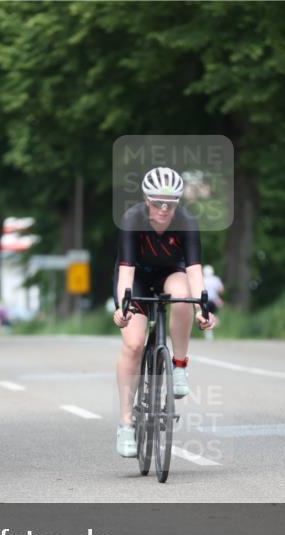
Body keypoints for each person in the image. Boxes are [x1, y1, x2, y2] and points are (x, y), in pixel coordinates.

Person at [111, 166, 217, 457]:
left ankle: (179, 365)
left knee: (183, 296)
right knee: (133, 344)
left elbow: (195, 272)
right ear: (146, 201)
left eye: (169, 204)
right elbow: (125, 276)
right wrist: (123, 309)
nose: (163, 209)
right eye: (157, 202)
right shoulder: (132, 219)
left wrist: (202, 308)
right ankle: (125, 424)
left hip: (171, 274)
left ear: (178, 203)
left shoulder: (186, 221)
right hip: (137, 278)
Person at [202, 265, 224, 340]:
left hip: (205, 301)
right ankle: (213, 326)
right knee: (213, 315)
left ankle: (209, 331)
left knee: (206, 316)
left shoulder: (202, 279)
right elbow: (221, 290)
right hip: (214, 301)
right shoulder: (216, 279)